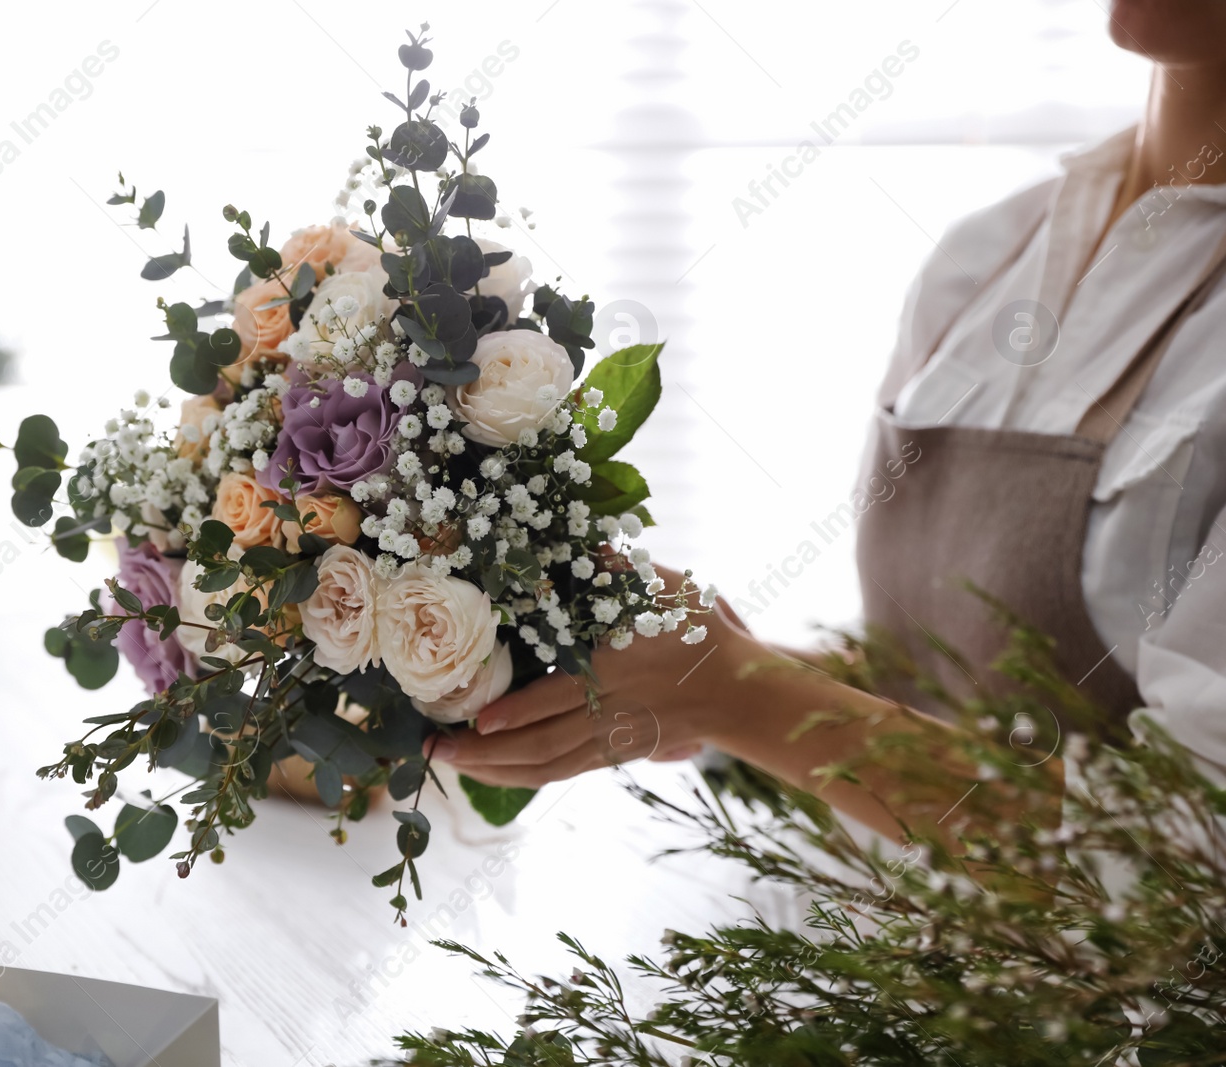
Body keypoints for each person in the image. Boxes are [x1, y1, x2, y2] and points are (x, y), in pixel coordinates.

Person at [432, 0, 1226, 840]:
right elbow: (933, 678)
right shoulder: (995, 251)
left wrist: (738, 689)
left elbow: (1182, 854)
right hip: (895, 940)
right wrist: (693, 678)